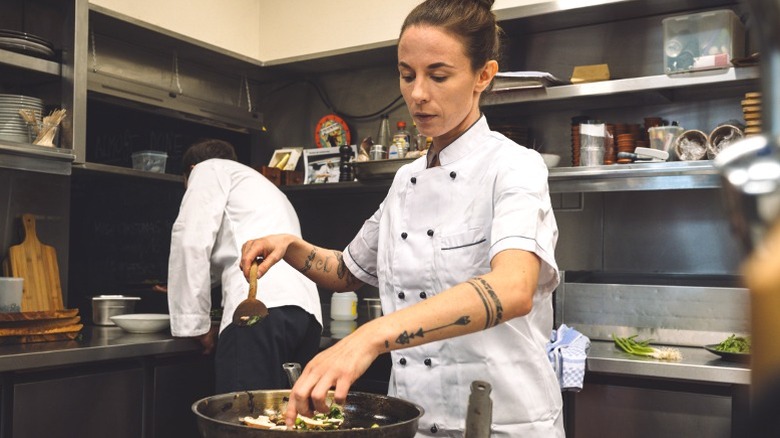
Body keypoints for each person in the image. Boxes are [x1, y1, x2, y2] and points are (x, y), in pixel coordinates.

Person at [240, 0, 563, 435]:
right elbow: (347, 270)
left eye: (438, 75)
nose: (417, 94)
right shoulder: (406, 179)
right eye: (407, 75)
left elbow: (513, 287)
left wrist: (368, 337)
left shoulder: (514, 166)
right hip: (414, 416)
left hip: (499, 420)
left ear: (483, 76)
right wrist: (291, 247)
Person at [167, 138, 322, 393]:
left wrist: (195, 326)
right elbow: (233, 249)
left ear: (191, 171)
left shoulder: (206, 170)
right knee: (287, 422)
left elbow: (191, 241)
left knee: (242, 421)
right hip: (306, 315)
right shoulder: (260, 185)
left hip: (257, 312)